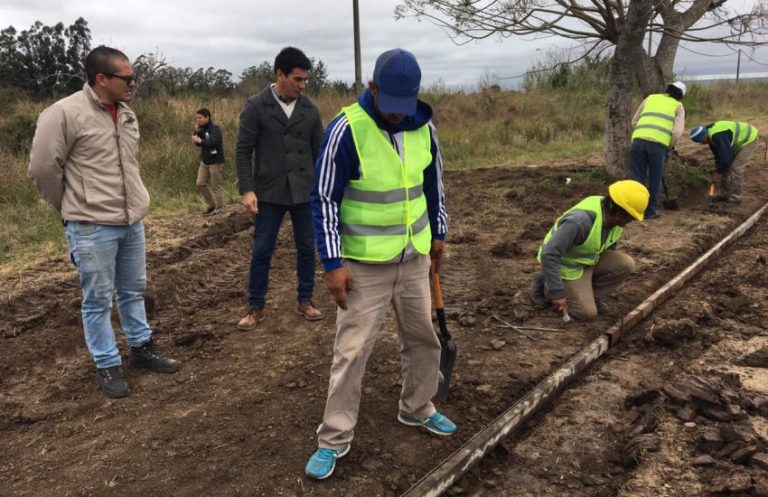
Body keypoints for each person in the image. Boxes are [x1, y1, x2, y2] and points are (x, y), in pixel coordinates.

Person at [305, 48, 456, 480]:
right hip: (364, 265)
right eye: (389, 106)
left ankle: (417, 407)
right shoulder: (346, 130)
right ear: (373, 88)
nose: (396, 116)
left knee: (423, 339)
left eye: (402, 107)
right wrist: (333, 262)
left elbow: (434, 185)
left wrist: (438, 233)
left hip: (414, 258)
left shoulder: (424, 127)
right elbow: (324, 200)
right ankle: (334, 438)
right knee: (351, 352)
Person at [28, 46, 180, 399]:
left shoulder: (126, 114)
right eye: (126, 78)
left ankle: (141, 349)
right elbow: (42, 169)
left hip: (131, 222)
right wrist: (70, 207)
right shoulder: (64, 113)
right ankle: (107, 363)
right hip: (91, 225)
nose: (133, 84)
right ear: (102, 79)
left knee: (133, 291)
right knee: (97, 300)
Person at [235, 47, 324, 329]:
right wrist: (247, 190)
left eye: (305, 80)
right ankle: (256, 306)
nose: (302, 85)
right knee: (262, 249)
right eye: (297, 79)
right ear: (279, 75)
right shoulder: (256, 106)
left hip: (304, 191)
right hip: (269, 192)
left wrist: (323, 190)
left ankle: (305, 299)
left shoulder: (309, 110)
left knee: (307, 248)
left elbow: (319, 152)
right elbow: (243, 150)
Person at [530, 180, 649, 321]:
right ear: (619, 214)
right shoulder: (580, 222)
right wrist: (557, 292)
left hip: (587, 261)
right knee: (586, 314)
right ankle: (546, 284)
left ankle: (591, 296)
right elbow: (549, 254)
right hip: (567, 268)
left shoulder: (612, 219)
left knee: (626, 264)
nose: (632, 221)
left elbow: (607, 248)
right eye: (631, 217)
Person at [629, 81, 686, 219]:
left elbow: (634, 121)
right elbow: (677, 132)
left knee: (637, 177)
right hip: (658, 145)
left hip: (638, 141)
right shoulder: (678, 106)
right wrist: (670, 145)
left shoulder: (650, 98)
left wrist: (643, 133)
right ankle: (650, 210)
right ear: (681, 96)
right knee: (655, 177)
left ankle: (634, 209)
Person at [689, 121, 759, 205]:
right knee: (725, 166)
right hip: (738, 140)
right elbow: (719, 158)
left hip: (749, 138)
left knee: (735, 168)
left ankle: (735, 198)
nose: (701, 144)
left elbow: (726, 159)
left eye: (701, 141)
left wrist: (718, 172)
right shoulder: (711, 138)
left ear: (704, 136)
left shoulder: (718, 136)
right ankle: (724, 193)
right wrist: (717, 169)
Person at [193, 108, 225, 215]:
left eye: (200, 118)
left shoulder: (215, 129)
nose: (198, 120)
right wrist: (196, 132)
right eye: (197, 118)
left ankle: (219, 208)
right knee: (200, 183)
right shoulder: (201, 128)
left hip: (215, 161)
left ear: (207, 117)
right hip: (205, 161)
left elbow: (213, 143)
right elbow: (198, 142)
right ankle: (211, 205)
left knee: (216, 185)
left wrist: (201, 141)